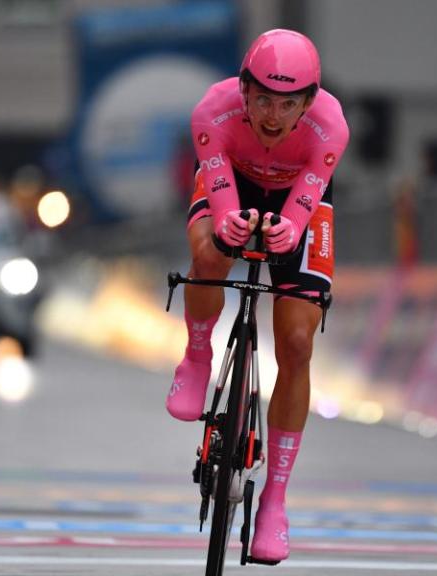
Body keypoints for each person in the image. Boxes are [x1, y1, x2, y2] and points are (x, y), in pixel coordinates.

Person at [165, 29, 349, 562]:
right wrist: (230, 228)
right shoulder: (212, 112)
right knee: (208, 255)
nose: (272, 114)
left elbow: (300, 213)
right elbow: (220, 210)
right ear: (243, 90)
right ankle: (198, 355)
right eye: (263, 98)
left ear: (309, 102)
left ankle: (275, 500)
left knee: (295, 343)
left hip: (299, 197)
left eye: (288, 103)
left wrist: (288, 228)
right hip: (235, 184)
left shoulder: (331, 126)